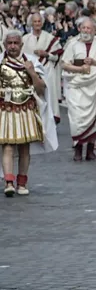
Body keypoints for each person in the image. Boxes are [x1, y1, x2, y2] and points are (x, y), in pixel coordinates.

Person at [1, 30, 57, 196]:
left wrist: (32, 72)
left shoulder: (32, 62)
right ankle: (9, 182)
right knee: (8, 145)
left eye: (15, 43)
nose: (12, 46)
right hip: (5, 109)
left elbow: (41, 89)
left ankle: (22, 182)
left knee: (24, 147)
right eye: (9, 43)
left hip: (26, 109)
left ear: (21, 45)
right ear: (5, 45)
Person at [61, 17, 96, 162]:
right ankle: (78, 149)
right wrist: (80, 69)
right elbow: (64, 64)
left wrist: (94, 62)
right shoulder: (72, 44)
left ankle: (90, 150)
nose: (86, 31)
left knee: (95, 118)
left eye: (89, 28)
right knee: (76, 119)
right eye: (83, 28)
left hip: (94, 86)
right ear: (79, 29)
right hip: (76, 86)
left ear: (95, 30)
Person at [22, 12, 63, 123]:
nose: (37, 23)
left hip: (48, 73)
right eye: (35, 21)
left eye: (39, 21)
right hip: (31, 74)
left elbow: (57, 57)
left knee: (48, 97)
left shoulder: (50, 38)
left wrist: (46, 54)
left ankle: (49, 121)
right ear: (31, 23)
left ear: (42, 22)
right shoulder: (25, 39)